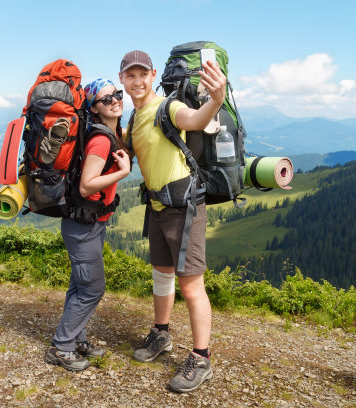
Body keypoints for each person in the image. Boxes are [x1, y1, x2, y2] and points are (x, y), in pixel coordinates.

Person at [118, 50, 227, 393]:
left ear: (152, 75)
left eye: (141, 75)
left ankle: (201, 358)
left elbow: (195, 120)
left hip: (184, 206)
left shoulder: (167, 108)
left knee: (191, 284)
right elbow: (122, 145)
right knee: (161, 274)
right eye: (129, 76)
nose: (136, 81)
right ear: (122, 80)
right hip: (157, 207)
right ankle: (161, 334)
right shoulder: (135, 118)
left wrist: (217, 99)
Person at [45, 79, 131, 371]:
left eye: (117, 95)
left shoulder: (107, 133)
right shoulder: (101, 139)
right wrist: (123, 172)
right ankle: (61, 346)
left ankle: (77, 339)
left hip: (88, 222)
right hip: (82, 226)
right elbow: (86, 186)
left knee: (79, 285)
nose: (116, 100)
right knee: (93, 287)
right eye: (107, 99)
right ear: (94, 108)